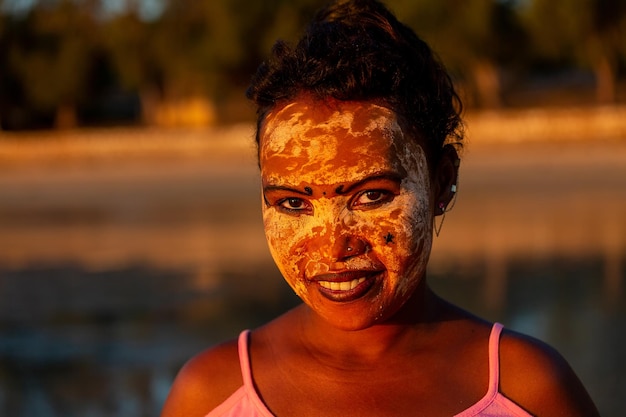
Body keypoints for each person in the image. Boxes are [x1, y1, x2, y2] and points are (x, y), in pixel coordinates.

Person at [160, 1, 600, 416]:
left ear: (441, 180)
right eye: (293, 202)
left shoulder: (529, 389)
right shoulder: (212, 394)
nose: (333, 247)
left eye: (371, 196)